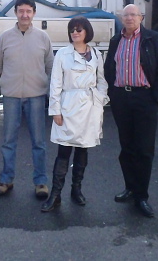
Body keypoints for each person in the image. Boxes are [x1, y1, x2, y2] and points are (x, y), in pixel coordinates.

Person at [103, 4, 158, 217]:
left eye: (134, 14)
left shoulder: (152, 39)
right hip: (122, 98)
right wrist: (113, 93)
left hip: (144, 98)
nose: (130, 18)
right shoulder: (116, 40)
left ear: (141, 17)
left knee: (144, 149)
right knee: (127, 148)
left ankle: (142, 196)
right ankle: (130, 188)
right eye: (126, 15)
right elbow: (108, 69)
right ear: (122, 19)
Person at [41, 16, 109, 212]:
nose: (75, 32)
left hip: (90, 108)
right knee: (63, 152)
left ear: (87, 31)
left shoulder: (96, 54)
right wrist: (55, 110)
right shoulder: (62, 54)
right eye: (72, 29)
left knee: (83, 149)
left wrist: (100, 99)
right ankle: (55, 195)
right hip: (68, 107)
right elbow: (55, 84)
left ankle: (76, 189)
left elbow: (101, 80)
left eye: (79, 29)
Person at [0, 0, 54, 199]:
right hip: (11, 96)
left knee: (39, 142)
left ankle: (41, 182)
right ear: (15, 13)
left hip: (36, 96)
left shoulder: (43, 38)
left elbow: (50, 66)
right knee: (9, 140)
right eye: (21, 11)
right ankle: (6, 179)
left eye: (28, 11)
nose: (24, 14)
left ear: (34, 13)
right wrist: (9, 81)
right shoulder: (5, 38)